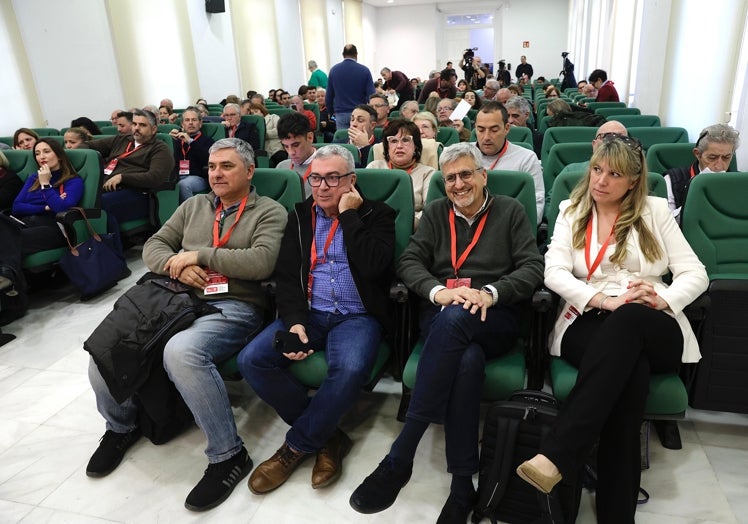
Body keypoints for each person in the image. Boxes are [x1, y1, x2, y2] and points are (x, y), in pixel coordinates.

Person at [85, 138, 288, 512]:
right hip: (175, 298)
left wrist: (198, 254)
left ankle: (228, 455)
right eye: (212, 167)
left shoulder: (270, 211)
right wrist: (177, 263)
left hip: (234, 304)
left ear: (249, 170)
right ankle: (121, 427)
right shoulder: (194, 205)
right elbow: (154, 247)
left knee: (182, 352)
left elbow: (261, 262)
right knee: (107, 345)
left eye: (227, 166)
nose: (216, 173)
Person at [517, 135, 708, 523]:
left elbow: (696, 273)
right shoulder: (572, 210)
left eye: (614, 174)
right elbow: (553, 272)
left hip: (652, 321)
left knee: (631, 319)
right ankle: (616, 514)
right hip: (588, 318)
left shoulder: (655, 211)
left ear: (634, 181)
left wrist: (661, 299)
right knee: (629, 375)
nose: (600, 181)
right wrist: (602, 300)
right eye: (597, 170)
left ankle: (559, 452)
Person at [350, 143, 544, 521]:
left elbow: (532, 267)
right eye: (450, 177)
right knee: (466, 359)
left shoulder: (510, 210)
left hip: (494, 314)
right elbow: (409, 261)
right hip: (443, 310)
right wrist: (441, 292)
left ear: (482, 176)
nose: (458, 184)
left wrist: (491, 293)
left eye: (466, 174)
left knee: (460, 323)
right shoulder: (437, 212)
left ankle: (402, 452)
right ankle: (461, 486)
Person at [237, 144, 395, 496]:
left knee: (350, 369)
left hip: (357, 316)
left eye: (333, 178)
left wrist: (349, 216)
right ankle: (329, 436)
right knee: (252, 360)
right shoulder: (299, 216)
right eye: (316, 178)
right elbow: (287, 277)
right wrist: (294, 321)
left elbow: (376, 267)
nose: (322, 187)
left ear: (351, 181)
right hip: (310, 312)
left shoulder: (378, 215)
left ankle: (294, 447)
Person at [85, 109, 174, 229]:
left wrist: (122, 177)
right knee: (83, 199)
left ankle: (110, 246)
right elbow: (88, 147)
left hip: (138, 193)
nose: (136, 128)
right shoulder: (122, 139)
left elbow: (155, 177)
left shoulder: (160, 149)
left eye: (142, 125)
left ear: (153, 129)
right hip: (108, 187)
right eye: (134, 124)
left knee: (100, 205)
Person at [473, 102, 545, 221]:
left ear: (507, 128)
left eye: (494, 130)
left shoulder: (526, 158)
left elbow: (536, 209)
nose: (486, 137)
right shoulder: (462, 156)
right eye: (480, 130)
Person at [11, 138, 84, 253]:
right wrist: (46, 207)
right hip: (28, 224)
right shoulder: (34, 178)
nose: (41, 157)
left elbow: (61, 208)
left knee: (11, 240)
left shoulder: (73, 180)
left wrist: (45, 184)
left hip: (55, 229)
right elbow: (16, 207)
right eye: (37, 153)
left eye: (46, 151)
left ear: (59, 156)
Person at [663, 123, 740, 222]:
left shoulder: (739, 182)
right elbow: (666, 225)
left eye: (726, 158)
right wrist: (697, 196)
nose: (719, 166)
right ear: (697, 154)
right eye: (712, 158)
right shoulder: (673, 180)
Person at [366, 119, 435, 227]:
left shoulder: (427, 173)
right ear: (387, 147)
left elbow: (430, 210)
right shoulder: (374, 168)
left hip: (412, 231)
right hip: (375, 229)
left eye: (406, 140)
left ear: (416, 145)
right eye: (393, 141)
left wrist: (406, 226)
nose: (399, 146)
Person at [170, 106, 215, 202]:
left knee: (183, 185)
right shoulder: (177, 141)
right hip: (178, 175)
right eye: (187, 120)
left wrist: (191, 142)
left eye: (194, 120)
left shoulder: (207, 141)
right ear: (182, 124)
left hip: (199, 177)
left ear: (200, 123)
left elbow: (207, 160)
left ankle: (192, 215)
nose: (190, 123)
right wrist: (169, 142)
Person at [326, 44, 375, 130]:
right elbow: (371, 96)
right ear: (356, 54)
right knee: (359, 140)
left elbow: (329, 96)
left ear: (343, 54)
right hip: (360, 113)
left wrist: (331, 112)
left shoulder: (334, 70)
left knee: (343, 140)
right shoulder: (364, 70)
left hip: (341, 114)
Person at [276, 112, 318, 198]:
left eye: (296, 145)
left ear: (310, 137)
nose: (291, 152)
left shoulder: (327, 167)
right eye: (286, 146)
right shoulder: (281, 167)